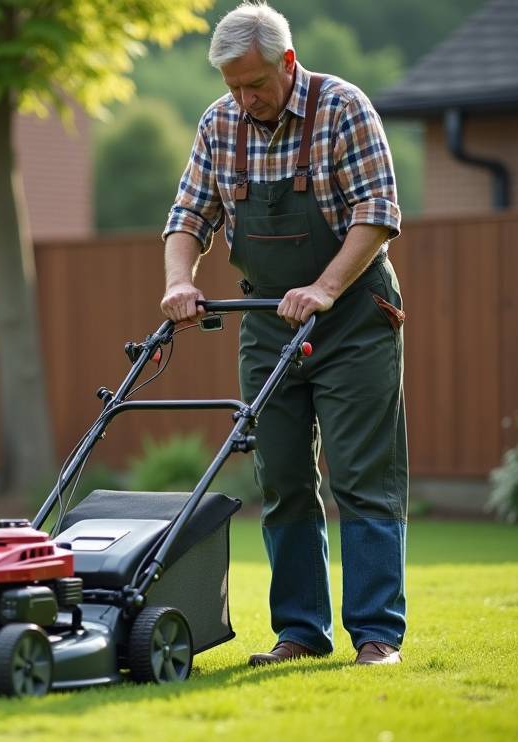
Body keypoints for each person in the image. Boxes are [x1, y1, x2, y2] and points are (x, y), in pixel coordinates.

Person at [161, 1, 407, 666]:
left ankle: (377, 635)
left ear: (287, 63)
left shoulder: (343, 108)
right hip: (268, 322)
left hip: (354, 319)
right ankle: (300, 631)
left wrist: (326, 287)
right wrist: (180, 281)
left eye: (255, 85)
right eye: (232, 86)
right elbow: (189, 213)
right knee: (282, 475)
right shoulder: (220, 124)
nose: (243, 99)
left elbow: (378, 213)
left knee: (362, 475)